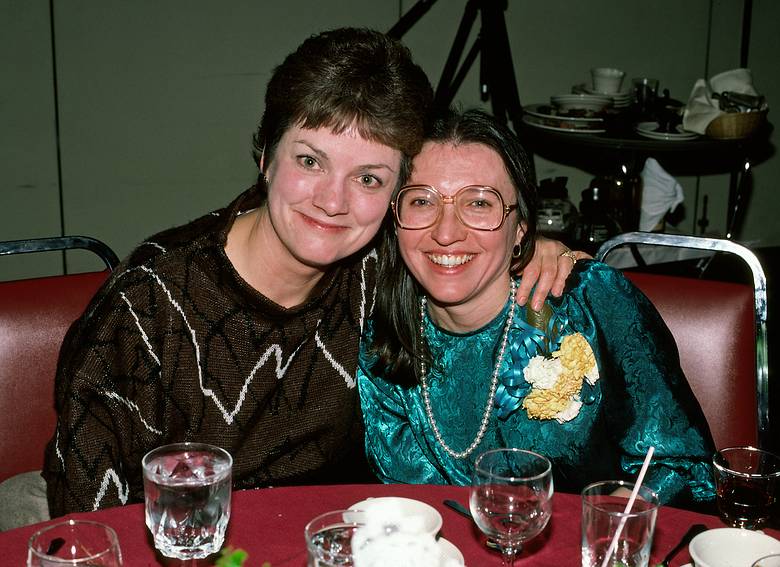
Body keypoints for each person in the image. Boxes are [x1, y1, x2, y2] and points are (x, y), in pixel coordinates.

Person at [36, 28, 577, 520]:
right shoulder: (149, 306)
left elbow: (468, 247)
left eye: (368, 178)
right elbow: (87, 524)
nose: (332, 201)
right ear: (266, 155)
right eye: (311, 161)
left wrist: (532, 247)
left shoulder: (383, 272)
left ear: (394, 197)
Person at [358, 108, 716, 506]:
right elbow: (406, 506)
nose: (446, 232)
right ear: (395, 219)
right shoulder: (384, 345)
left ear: (521, 230)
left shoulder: (587, 301)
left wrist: (631, 502)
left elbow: (687, 466)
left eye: (479, 203)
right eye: (422, 201)